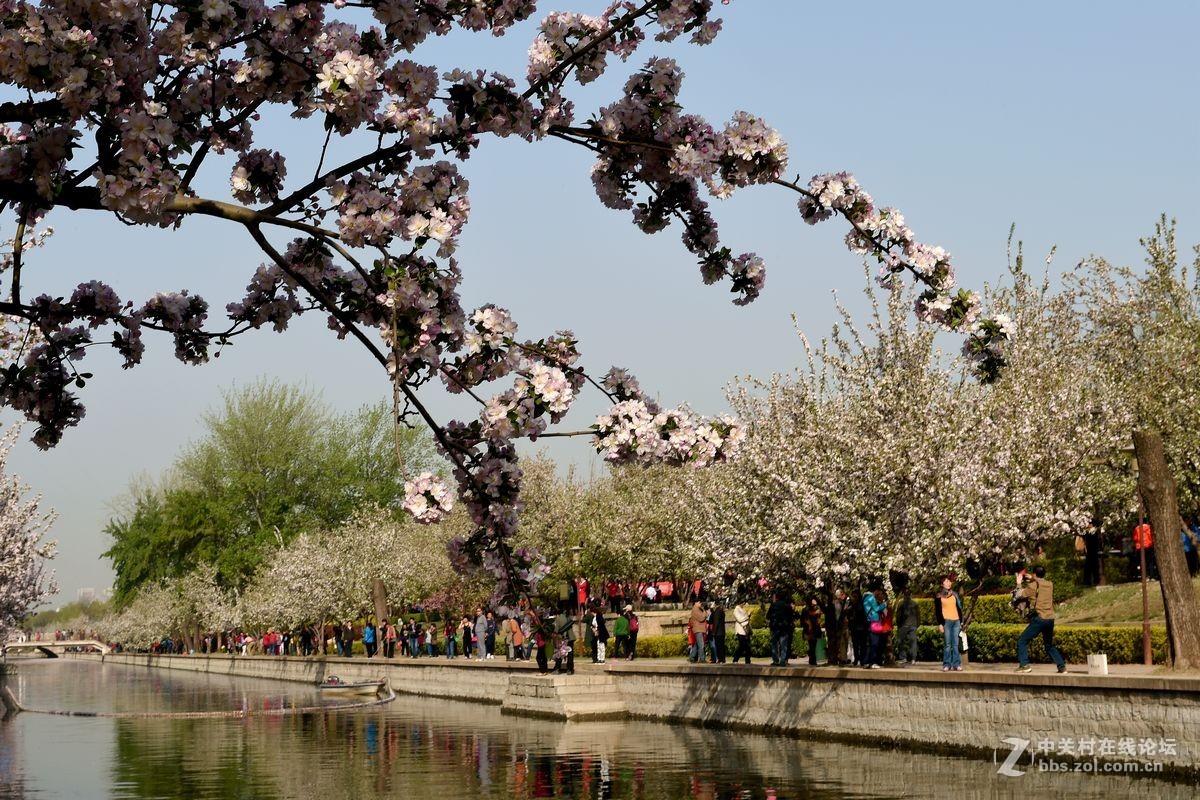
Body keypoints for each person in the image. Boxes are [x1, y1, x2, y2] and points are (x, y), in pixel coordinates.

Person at [1015, 565, 1066, 673]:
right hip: (1050, 619)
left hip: (1039, 619)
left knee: (1022, 641)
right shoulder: (1050, 584)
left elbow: (1019, 595)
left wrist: (1019, 582)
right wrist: (1033, 578)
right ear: (1044, 574)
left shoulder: (1032, 586)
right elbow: (1040, 583)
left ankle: (1024, 665)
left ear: (1034, 574)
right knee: (1049, 645)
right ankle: (1062, 666)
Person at [934, 576, 963, 671]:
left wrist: (961, 621)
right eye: (946, 581)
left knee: (955, 644)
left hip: (956, 621)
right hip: (946, 622)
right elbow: (938, 611)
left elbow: (959, 608)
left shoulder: (955, 594)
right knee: (947, 644)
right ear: (942, 584)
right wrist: (940, 624)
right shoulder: (939, 596)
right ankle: (947, 664)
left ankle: (956, 664)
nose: (948, 583)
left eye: (949, 581)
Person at [766, 590, 795, 667]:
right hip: (784, 628)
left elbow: (768, 616)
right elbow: (791, 617)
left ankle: (775, 660)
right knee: (784, 645)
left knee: (774, 644)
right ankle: (782, 661)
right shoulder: (787, 606)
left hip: (774, 627)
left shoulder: (773, 605)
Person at [862, 587, 888, 669]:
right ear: (876, 590)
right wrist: (884, 604)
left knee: (871, 644)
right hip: (874, 622)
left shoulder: (866, 598)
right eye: (879, 592)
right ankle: (872, 662)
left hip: (870, 622)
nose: (880, 594)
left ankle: (867, 662)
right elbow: (876, 609)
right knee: (875, 643)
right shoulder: (871, 598)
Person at [894, 590, 920, 667]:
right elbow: (918, 615)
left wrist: (898, 624)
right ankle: (913, 658)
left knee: (901, 642)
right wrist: (917, 624)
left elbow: (898, 615)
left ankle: (903, 657)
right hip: (913, 624)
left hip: (903, 625)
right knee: (913, 642)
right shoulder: (914, 604)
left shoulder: (901, 603)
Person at [827, 589, 850, 666]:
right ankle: (842, 658)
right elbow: (837, 615)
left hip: (846, 625)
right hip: (840, 624)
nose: (843, 595)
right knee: (842, 642)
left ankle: (844, 657)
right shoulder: (836, 604)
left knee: (846, 641)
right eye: (842, 594)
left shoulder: (845, 603)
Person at [800, 596, 823, 666]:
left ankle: (812, 659)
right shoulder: (808, 610)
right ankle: (813, 660)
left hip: (812, 629)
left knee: (812, 645)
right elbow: (805, 620)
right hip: (811, 630)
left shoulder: (812, 609)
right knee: (812, 645)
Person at [553, 606, 576, 674]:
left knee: (560, 654)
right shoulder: (568, 617)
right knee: (570, 654)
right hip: (571, 638)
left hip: (563, 638)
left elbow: (556, 630)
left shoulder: (558, 619)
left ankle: (557, 668)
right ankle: (570, 669)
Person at [732, 599, 752, 664]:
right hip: (740, 630)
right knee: (742, 646)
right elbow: (740, 619)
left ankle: (747, 661)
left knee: (747, 646)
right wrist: (747, 615)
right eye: (743, 603)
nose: (744, 604)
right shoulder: (736, 610)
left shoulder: (742, 609)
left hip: (746, 629)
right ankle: (735, 659)